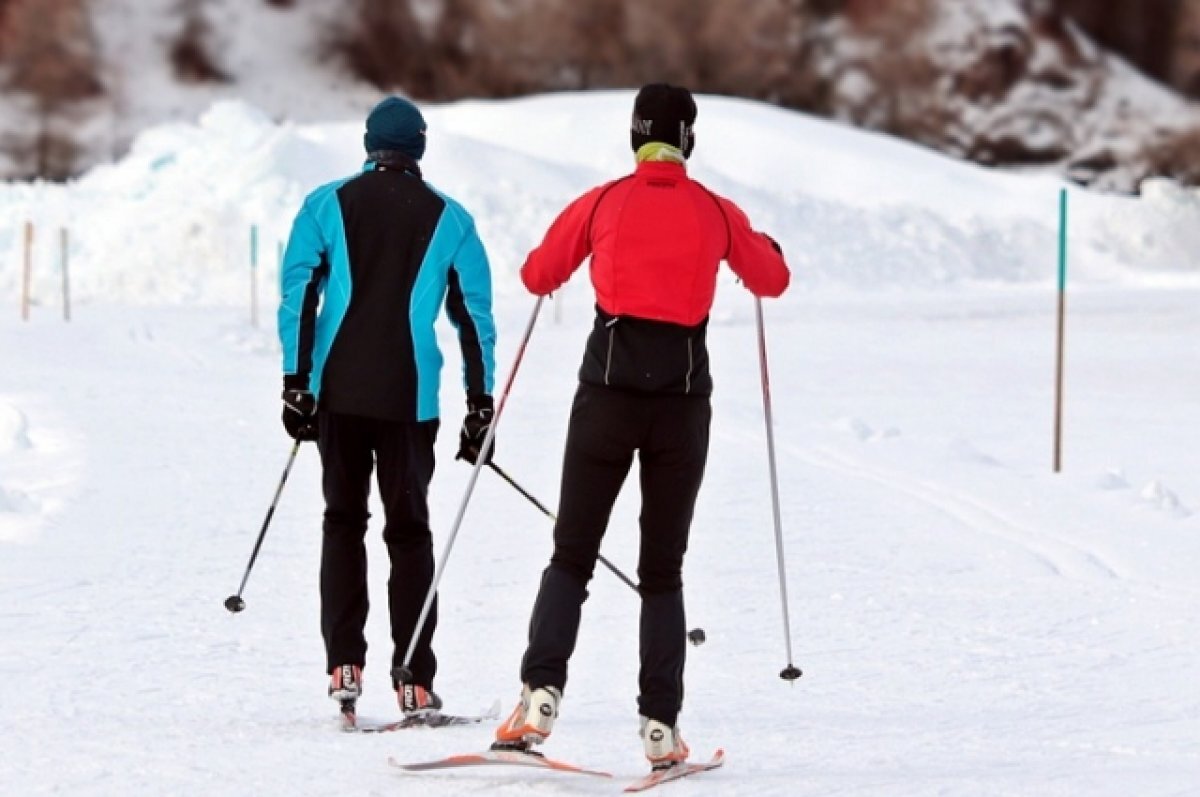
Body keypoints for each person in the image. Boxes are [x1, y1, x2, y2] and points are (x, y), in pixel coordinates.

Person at [492, 84, 790, 766]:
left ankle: (540, 694)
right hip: (682, 409)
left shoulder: (602, 201)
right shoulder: (715, 211)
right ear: (687, 139)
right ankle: (660, 725)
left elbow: (538, 274)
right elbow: (771, 279)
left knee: (572, 551)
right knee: (662, 569)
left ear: (635, 137)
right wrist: (763, 245)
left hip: (606, 398)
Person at [276, 96, 497, 720]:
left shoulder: (324, 204)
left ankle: (344, 662)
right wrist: (481, 405)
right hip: (410, 399)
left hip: (339, 393)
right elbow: (473, 320)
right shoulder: (450, 219)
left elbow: (300, 296)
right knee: (409, 533)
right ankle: (414, 679)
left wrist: (296, 383)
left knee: (343, 522)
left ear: (370, 144)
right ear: (418, 147)